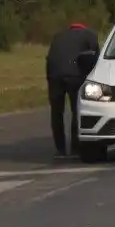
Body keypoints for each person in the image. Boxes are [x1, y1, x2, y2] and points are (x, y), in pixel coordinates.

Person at [46, 21, 99, 158]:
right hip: (75, 75)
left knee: (56, 112)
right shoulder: (90, 35)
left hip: (54, 74)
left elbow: (50, 57)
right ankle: (75, 148)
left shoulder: (58, 36)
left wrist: (50, 78)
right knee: (77, 110)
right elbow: (96, 59)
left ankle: (60, 150)